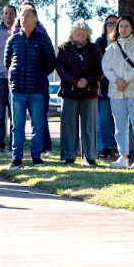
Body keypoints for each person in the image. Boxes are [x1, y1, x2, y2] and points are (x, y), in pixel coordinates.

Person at [5, 4, 56, 170]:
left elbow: (50, 63)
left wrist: (38, 76)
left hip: (37, 90)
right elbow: (8, 62)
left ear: (35, 19)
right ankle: (16, 158)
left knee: (38, 124)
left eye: (27, 15)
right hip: (17, 89)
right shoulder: (13, 39)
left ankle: (36, 156)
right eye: (22, 15)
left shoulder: (43, 40)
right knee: (17, 126)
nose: (23, 18)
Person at [102, 15, 134, 169]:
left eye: (126, 26)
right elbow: (106, 67)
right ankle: (123, 156)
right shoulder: (111, 47)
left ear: (132, 28)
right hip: (116, 91)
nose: (123, 29)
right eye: (121, 26)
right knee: (120, 126)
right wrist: (117, 80)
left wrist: (126, 80)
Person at [56, 21, 102, 167]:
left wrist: (87, 80)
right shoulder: (64, 48)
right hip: (70, 91)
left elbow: (100, 69)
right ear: (72, 34)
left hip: (90, 91)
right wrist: (75, 81)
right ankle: (69, 156)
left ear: (88, 35)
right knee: (69, 125)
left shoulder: (95, 49)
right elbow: (60, 68)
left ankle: (90, 156)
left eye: (83, 34)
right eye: (77, 34)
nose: (80, 37)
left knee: (89, 125)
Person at [0, 5, 16, 154]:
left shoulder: (19, 31)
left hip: (15, 76)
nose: (8, 16)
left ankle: (14, 144)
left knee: (15, 113)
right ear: (2, 15)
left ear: (15, 15)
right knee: (0, 113)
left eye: (11, 14)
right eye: (6, 13)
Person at [94, 15, 118, 158]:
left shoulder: (122, 42)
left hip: (119, 86)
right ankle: (103, 147)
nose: (112, 26)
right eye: (109, 24)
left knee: (117, 119)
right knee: (102, 119)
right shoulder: (100, 42)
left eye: (115, 23)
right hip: (103, 87)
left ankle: (116, 147)